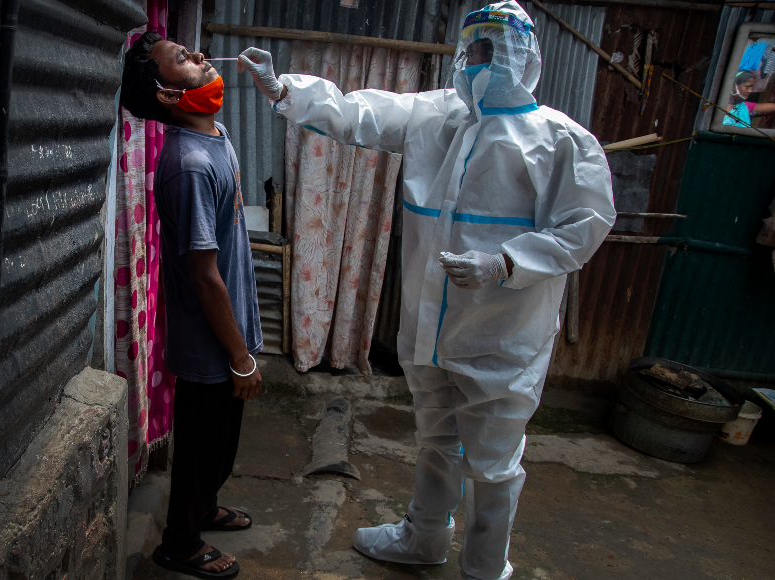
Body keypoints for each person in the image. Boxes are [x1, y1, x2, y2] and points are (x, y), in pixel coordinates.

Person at [237, 2, 614, 579]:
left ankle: (486, 568)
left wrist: (504, 263)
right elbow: (357, 112)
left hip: (502, 337)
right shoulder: (436, 116)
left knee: (492, 464)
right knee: (436, 439)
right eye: (473, 49)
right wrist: (283, 87)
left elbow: (583, 229)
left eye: (493, 49)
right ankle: (424, 537)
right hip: (429, 325)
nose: (477, 61)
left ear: (524, 57)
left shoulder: (561, 141)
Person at [120, 31, 263, 580]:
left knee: (223, 443)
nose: (201, 59)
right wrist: (239, 356)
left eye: (194, 52)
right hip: (210, 341)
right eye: (184, 60)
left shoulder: (216, 135)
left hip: (230, 329)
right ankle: (179, 542)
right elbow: (205, 277)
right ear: (167, 96)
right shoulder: (188, 166)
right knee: (202, 447)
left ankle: (203, 507)